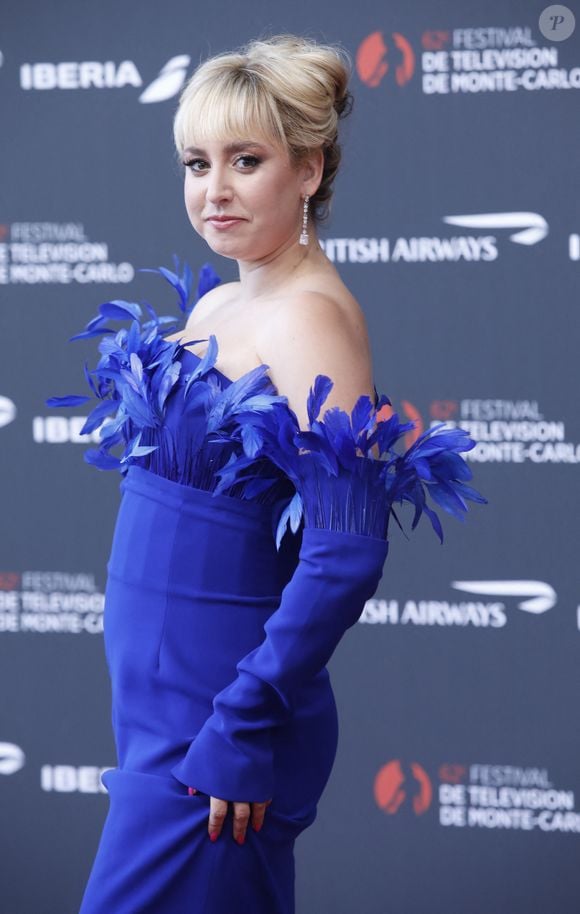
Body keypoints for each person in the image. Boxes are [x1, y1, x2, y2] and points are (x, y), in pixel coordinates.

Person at [47, 33, 486, 914]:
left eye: (246, 161)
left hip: (219, 725)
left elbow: (345, 555)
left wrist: (240, 726)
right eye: (195, 162)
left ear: (310, 169)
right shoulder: (217, 302)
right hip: (159, 710)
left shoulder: (311, 317)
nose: (213, 190)